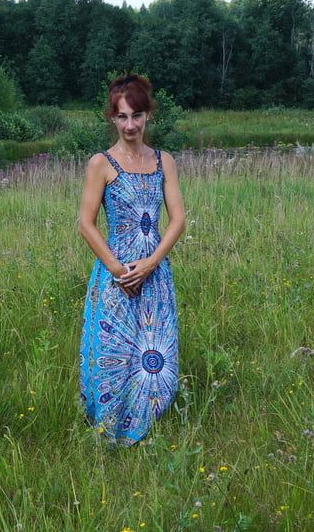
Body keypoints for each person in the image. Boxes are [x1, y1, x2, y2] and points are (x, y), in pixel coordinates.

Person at [77, 72, 186, 445]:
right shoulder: (101, 164)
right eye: (122, 116)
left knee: (153, 352)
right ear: (112, 118)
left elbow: (178, 219)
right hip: (116, 272)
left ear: (147, 116)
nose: (130, 125)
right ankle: (108, 433)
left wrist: (153, 261)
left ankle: (147, 429)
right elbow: (86, 224)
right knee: (114, 352)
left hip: (155, 272)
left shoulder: (164, 161)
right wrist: (117, 269)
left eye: (136, 115)